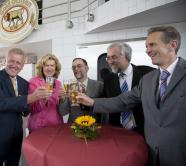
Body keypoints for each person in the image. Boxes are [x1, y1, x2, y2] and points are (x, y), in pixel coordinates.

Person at [77, 26, 186, 166]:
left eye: (152, 45)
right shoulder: (148, 80)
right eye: (146, 46)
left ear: (172, 45)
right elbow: (122, 101)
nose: (148, 50)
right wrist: (92, 102)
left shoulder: (146, 73)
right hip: (151, 152)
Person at [0, 48, 50, 166]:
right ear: (5, 61)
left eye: (18, 63)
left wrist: (38, 100)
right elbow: (0, 103)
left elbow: (25, 111)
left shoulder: (24, 83)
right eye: (11, 61)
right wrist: (28, 98)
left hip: (15, 139)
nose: (14, 65)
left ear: (22, 66)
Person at [104, 42, 154, 135]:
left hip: (145, 131)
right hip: (117, 131)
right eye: (108, 58)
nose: (110, 61)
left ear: (126, 56)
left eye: (114, 57)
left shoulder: (148, 73)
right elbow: (105, 102)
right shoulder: (108, 79)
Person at [59, 58, 104, 123]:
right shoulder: (69, 87)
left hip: (94, 127)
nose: (76, 69)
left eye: (79, 66)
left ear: (87, 68)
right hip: (74, 127)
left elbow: (104, 110)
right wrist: (63, 99)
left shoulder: (99, 85)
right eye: (73, 67)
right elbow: (63, 112)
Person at [27, 53, 64, 132]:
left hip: (56, 125)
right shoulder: (34, 81)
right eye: (46, 65)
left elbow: (59, 107)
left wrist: (63, 99)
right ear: (42, 68)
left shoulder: (58, 83)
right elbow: (31, 108)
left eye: (52, 65)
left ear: (56, 68)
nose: (49, 68)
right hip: (39, 126)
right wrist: (43, 100)